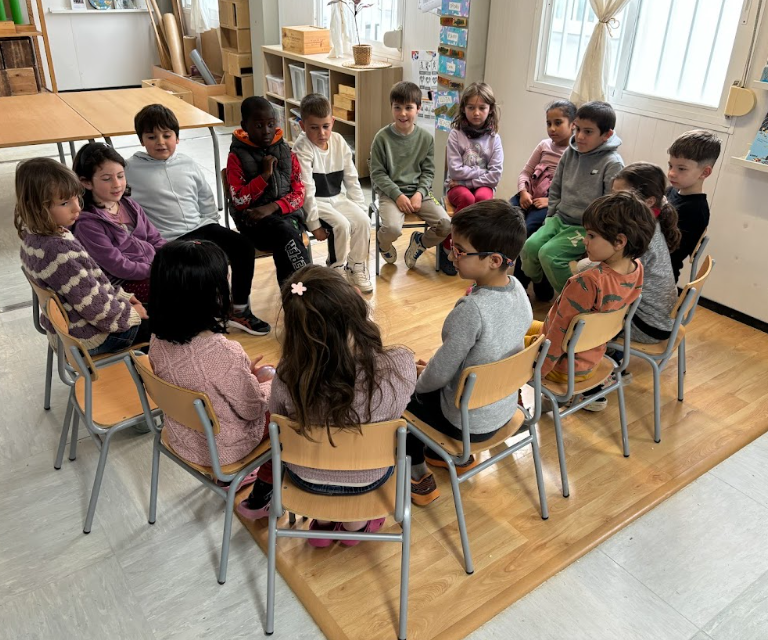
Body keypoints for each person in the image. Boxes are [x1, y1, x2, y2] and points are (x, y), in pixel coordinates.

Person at [248, 265, 416, 545]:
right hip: (370, 477)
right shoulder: (398, 364)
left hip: (305, 478)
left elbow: (277, 417)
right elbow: (398, 408)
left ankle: (322, 527)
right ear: (356, 307)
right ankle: (354, 527)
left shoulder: (288, 375)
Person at [406, 200, 531, 505]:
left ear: (494, 261)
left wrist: (416, 382)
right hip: (503, 410)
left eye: (460, 250)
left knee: (403, 394)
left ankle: (417, 473)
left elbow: (438, 375)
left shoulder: (471, 309)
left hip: (467, 424)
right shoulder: (518, 289)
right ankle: (445, 455)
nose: (451, 255)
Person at [148, 240, 275, 515]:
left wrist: (242, 373)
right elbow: (252, 409)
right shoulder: (223, 353)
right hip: (225, 449)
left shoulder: (156, 340)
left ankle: (228, 480)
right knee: (280, 394)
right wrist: (267, 385)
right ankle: (261, 492)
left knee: (261, 377)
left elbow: (198, 381)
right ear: (212, 295)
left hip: (181, 437)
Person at [125, 103, 269, 336]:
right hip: (167, 237)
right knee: (197, 264)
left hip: (201, 226)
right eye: (151, 137)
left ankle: (239, 309)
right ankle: (205, 312)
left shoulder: (187, 163)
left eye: (167, 135)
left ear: (177, 137)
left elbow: (205, 197)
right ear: (141, 140)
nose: (160, 142)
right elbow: (122, 207)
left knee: (242, 246)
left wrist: (211, 222)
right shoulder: (129, 169)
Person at [529, 192, 655, 412]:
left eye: (591, 235)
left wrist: (539, 372)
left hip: (563, 368)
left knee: (507, 342)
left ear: (619, 241)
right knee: (525, 325)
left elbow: (558, 334)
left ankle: (514, 409)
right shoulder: (636, 268)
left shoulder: (587, 282)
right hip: (592, 358)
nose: (584, 241)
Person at [15, 158, 149, 356]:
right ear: (36, 207)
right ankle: (151, 372)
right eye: (64, 203)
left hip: (72, 333)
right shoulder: (59, 252)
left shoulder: (34, 239)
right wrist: (131, 313)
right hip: (93, 337)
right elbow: (97, 310)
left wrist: (121, 297)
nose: (77, 208)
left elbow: (91, 281)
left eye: (76, 198)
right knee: (169, 326)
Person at [521, 101, 624, 296]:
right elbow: (556, 187)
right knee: (529, 247)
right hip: (559, 218)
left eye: (588, 131)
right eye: (577, 129)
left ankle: (574, 299)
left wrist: (594, 234)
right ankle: (542, 284)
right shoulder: (569, 153)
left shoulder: (612, 163)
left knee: (549, 255)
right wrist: (551, 216)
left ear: (606, 134)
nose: (580, 136)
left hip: (584, 228)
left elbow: (610, 205)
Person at [226, 96, 311, 286]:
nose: (266, 131)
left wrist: (273, 207)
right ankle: (306, 286)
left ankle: (297, 291)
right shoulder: (236, 156)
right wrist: (263, 176)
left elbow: (299, 193)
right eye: (258, 126)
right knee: (285, 234)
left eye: (271, 124)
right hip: (254, 224)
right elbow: (239, 200)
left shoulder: (286, 152)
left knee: (285, 235)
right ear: (245, 126)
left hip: (287, 217)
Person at [292, 93, 373, 292]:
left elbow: (352, 179)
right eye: (314, 127)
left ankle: (356, 266)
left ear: (333, 122)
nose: (321, 133)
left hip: (337, 198)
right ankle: (336, 270)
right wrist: (314, 224)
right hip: (315, 201)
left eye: (326, 126)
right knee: (342, 225)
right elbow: (307, 191)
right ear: (302, 126)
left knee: (363, 221)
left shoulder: (338, 141)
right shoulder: (302, 148)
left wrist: (360, 209)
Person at [371, 81, 451, 270]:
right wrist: (397, 195)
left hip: (419, 194)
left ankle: (419, 242)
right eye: (397, 107)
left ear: (419, 108)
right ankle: (383, 244)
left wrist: (420, 193)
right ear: (391, 107)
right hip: (390, 194)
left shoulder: (426, 138)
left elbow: (428, 171)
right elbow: (377, 173)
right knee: (392, 229)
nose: (403, 113)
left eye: (408, 108)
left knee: (446, 225)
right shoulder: (381, 138)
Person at [71, 142, 165, 304]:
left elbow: (155, 239)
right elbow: (118, 266)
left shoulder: (130, 205)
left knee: (197, 272)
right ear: (86, 182)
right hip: (121, 285)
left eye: (120, 176)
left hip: (151, 270)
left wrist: (173, 257)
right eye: (107, 179)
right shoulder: (87, 225)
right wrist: (156, 270)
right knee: (178, 288)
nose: (117, 184)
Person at [512, 99, 576, 299]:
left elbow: (571, 189)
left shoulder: (574, 153)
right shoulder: (544, 145)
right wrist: (523, 191)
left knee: (528, 231)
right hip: (529, 194)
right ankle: (496, 274)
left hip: (549, 203)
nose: (552, 128)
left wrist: (549, 202)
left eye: (558, 123)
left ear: (573, 125)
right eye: (549, 123)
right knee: (503, 219)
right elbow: (525, 173)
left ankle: (521, 286)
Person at [612, 163, 681, 344]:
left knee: (583, 314)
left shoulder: (640, 236)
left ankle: (604, 354)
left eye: (621, 197)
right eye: (613, 194)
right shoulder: (650, 222)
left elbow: (616, 280)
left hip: (647, 327)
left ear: (649, 201)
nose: (613, 202)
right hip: (657, 321)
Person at [439, 82, 504, 275]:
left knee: (482, 200)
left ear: (490, 109)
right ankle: (449, 247)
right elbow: (455, 171)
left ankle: (475, 248)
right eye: (471, 107)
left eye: (482, 108)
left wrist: (467, 180)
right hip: (456, 188)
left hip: (474, 185)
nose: (476, 113)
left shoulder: (494, 138)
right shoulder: (455, 135)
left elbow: (495, 175)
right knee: (467, 199)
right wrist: (481, 173)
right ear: (463, 108)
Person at [666, 129, 721, 281]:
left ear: (705, 173)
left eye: (681, 169)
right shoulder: (671, 191)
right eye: (670, 166)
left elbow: (669, 252)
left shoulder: (695, 211)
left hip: (661, 276)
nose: (671, 173)